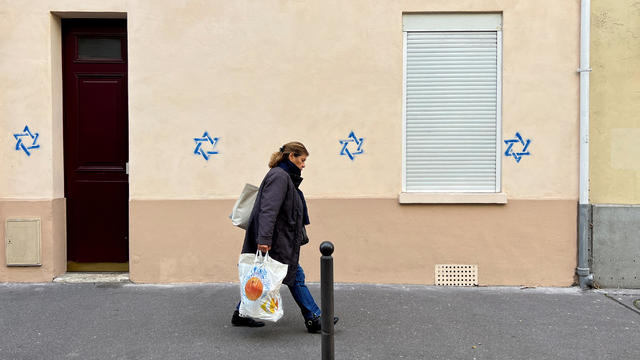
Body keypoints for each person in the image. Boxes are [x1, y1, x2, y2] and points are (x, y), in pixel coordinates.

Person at [231, 141, 339, 333]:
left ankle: (241, 313)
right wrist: (264, 240)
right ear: (291, 157)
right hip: (275, 240)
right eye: (302, 160)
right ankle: (314, 317)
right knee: (294, 275)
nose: (304, 165)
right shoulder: (279, 177)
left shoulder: (283, 176)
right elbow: (268, 210)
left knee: (266, 276)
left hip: (278, 238)